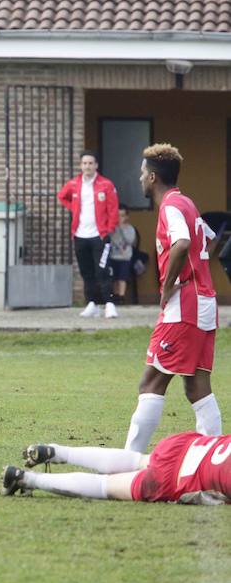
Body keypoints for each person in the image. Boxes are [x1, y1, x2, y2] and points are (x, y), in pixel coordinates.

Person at [124, 143, 221, 454]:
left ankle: (128, 461)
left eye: (142, 173)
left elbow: (181, 244)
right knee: (197, 387)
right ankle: (213, 462)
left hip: (185, 306)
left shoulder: (170, 207)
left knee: (150, 383)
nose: (139, 178)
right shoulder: (187, 203)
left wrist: (167, 287)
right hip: (205, 302)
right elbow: (211, 239)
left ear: (152, 177)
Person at [1, 434, 231, 505]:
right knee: (105, 486)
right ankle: (26, 479)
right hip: (179, 478)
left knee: (138, 460)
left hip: (190, 446)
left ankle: (57, 451)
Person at [57, 150, 120, 319]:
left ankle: (109, 304)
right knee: (86, 272)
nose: (87, 166)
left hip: (99, 235)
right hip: (80, 235)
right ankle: (91, 304)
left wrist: (109, 229)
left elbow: (113, 210)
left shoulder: (106, 185)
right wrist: (75, 209)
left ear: (96, 166)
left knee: (102, 270)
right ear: (80, 165)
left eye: (90, 163)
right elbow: (62, 197)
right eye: (84, 163)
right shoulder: (74, 184)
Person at [109, 204, 137, 303]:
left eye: (122, 215)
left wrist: (122, 228)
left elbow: (130, 240)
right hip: (113, 256)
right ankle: (115, 295)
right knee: (114, 278)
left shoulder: (129, 229)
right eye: (117, 215)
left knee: (122, 277)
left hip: (124, 257)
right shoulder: (112, 228)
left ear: (126, 217)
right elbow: (109, 239)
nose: (119, 218)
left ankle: (121, 296)